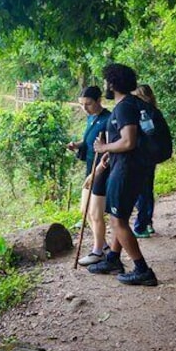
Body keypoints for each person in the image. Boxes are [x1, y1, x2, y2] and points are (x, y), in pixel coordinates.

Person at [88, 63, 158, 286]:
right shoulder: (133, 104)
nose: (105, 86)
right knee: (121, 216)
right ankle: (113, 258)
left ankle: (142, 269)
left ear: (113, 83)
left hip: (127, 169)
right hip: (131, 166)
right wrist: (111, 152)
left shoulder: (124, 106)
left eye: (107, 81)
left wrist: (104, 149)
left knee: (117, 219)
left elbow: (128, 141)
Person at [66, 86, 111, 266]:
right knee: (84, 210)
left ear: (99, 100)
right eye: (82, 105)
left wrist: (96, 172)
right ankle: (105, 246)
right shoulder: (92, 118)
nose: (85, 108)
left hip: (101, 171)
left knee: (95, 213)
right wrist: (76, 145)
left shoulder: (108, 120)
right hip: (90, 169)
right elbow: (89, 141)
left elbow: (109, 152)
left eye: (89, 104)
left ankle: (97, 251)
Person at [131, 84, 158, 238]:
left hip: (142, 158)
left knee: (141, 193)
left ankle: (141, 226)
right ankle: (147, 223)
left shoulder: (143, 113)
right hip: (151, 157)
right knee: (147, 191)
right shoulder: (154, 111)